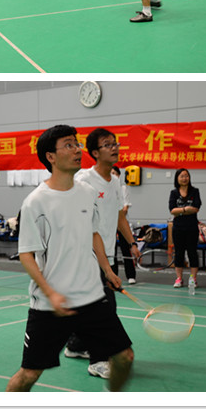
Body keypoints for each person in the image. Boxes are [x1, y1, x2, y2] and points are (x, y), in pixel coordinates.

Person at [6, 124, 134, 393]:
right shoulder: (35, 202)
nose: (77, 150)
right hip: (51, 305)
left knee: (124, 357)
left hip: (91, 297)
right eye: (68, 145)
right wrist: (50, 293)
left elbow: (94, 233)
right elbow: (26, 254)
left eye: (77, 144)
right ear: (50, 157)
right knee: (29, 374)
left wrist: (107, 270)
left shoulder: (87, 192)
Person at [64, 128, 140, 380]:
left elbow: (119, 216)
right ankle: (98, 360)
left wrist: (131, 243)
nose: (114, 147)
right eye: (108, 144)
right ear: (95, 153)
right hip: (86, 255)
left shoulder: (115, 181)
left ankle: (76, 345)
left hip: (108, 253)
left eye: (115, 143)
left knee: (92, 306)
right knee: (104, 309)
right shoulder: (84, 180)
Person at [168, 168, 201, 289]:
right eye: (181, 176)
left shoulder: (195, 191)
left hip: (192, 227)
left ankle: (193, 279)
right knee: (179, 253)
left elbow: (196, 208)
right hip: (178, 228)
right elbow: (172, 210)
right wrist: (185, 209)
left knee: (192, 253)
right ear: (177, 178)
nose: (184, 178)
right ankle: (179, 279)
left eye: (186, 176)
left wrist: (180, 211)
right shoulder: (174, 193)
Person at [112, 165, 137, 285]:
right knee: (111, 251)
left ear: (119, 176)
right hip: (109, 225)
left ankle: (131, 275)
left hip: (122, 223)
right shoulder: (105, 189)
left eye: (115, 173)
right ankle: (113, 275)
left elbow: (125, 208)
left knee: (126, 249)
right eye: (111, 173)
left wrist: (117, 215)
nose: (113, 176)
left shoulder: (123, 188)